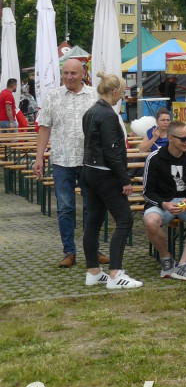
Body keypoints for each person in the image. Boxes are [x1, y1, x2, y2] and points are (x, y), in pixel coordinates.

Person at [33, 58, 108, 268]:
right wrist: (39, 157)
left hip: (89, 161)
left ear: (83, 73)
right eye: (65, 73)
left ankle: (92, 251)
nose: (69, 77)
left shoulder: (95, 95)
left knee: (91, 207)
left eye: (73, 73)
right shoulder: (53, 96)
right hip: (62, 160)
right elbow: (44, 127)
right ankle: (69, 251)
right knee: (65, 208)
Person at [81, 72, 142, 290]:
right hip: (104, 172)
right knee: (124, 219)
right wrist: (125, 180)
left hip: (89, 170)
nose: (123, 96)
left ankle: (94, 271)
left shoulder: (90, 111)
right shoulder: (107, 114)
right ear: (114, 91)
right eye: (123, 92)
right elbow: (113, 150)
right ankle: (116, 273)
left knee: (94, 220)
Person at [142, 119, 186, 281]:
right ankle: (167, 259)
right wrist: (164, 204)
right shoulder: (155, 158)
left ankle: (183, 264)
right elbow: (147, 192)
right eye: (183, 139)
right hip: (163, 203)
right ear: (170, 138)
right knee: (150, 220)